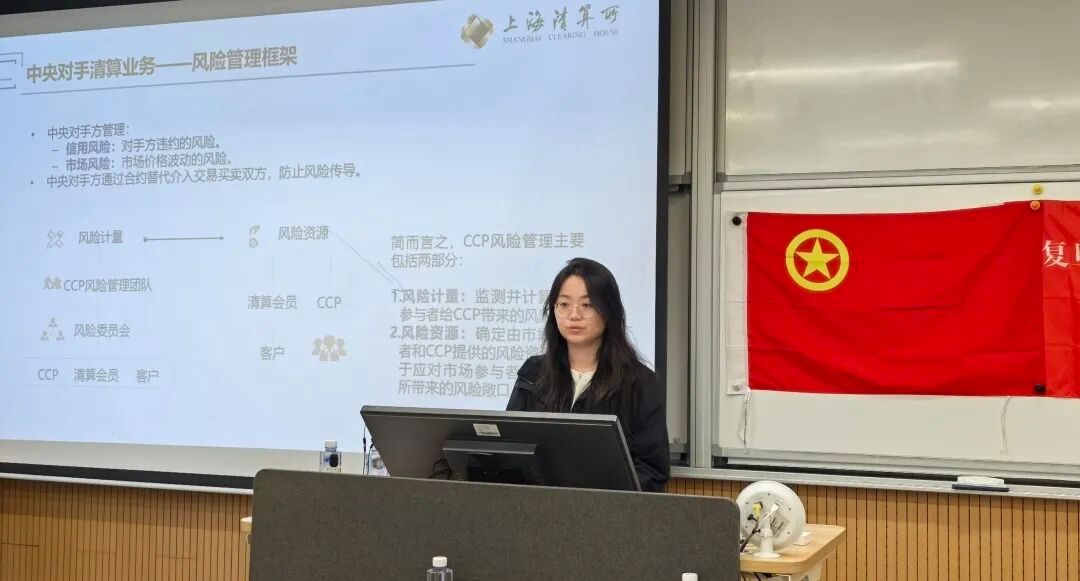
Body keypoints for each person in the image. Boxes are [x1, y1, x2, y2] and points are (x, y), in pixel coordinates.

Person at [507, 257, 670, 492]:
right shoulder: (533, 373)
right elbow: (510, 448)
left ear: (609, 311)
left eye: (587, 305)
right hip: (537, 505)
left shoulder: (639, 383)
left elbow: (651, 470)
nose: (574, 315)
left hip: (607, 509)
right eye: (564, 304)